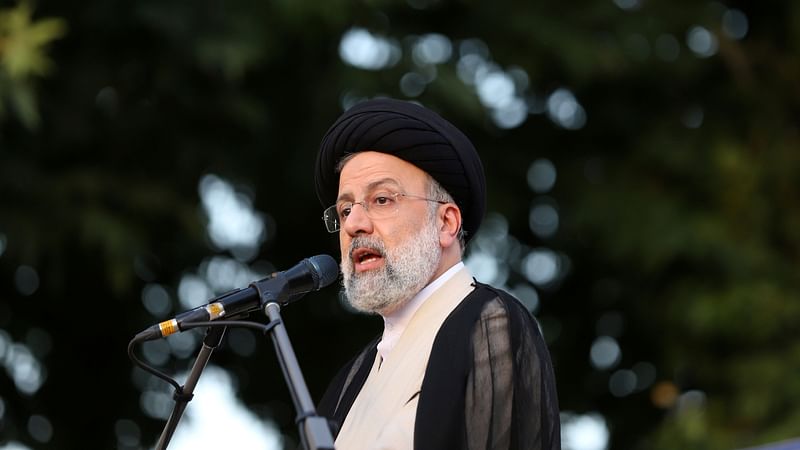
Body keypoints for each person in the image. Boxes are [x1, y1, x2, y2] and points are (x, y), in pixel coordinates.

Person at [313, 98, 560, 450]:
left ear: (445, 223)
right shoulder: (349, 381)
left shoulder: (489, 326)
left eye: (382, 199)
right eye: (345, 208)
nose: (353, 224)